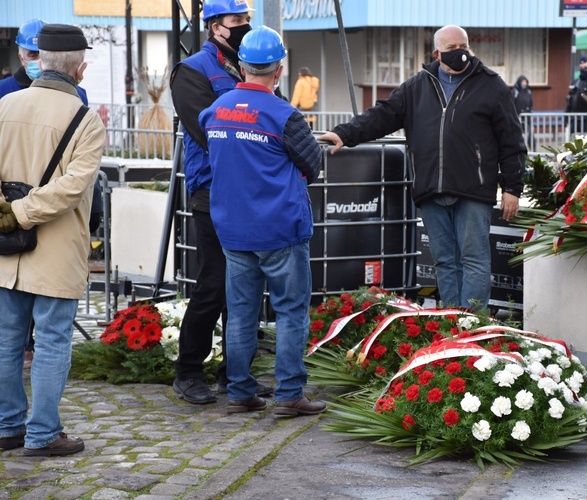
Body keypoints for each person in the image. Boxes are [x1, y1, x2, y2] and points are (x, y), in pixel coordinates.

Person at [319, 25, 526, 312]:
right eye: (452, 49)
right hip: (430, 189)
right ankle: (451, 323)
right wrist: (345, 133)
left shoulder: (492, 85)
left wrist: (513, 187)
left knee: (474, 259)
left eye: (463, 46)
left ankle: (475, 327)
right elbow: (382, 115)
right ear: (436, 53)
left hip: (474, 189)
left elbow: (512, 140)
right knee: (445, 261)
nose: (460, 53)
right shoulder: (417, 87)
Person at [199, 26, 325, 417]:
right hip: (280, 230)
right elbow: (313, 165)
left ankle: (239, 391)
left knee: (240, 313)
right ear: (279, 69)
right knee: (290, 312)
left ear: (241, 65)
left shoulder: (213, 112)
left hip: (233, 231)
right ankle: (289, 394)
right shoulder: (285, 116)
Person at [0, 24, 104, 456]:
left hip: (6, 250)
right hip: (57, 251)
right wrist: (22, 211)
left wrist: (6, 212)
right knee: (53, 342)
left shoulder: (5, 105)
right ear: (79, 69)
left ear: (39, 61)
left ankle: (7, 428)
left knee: (6, 341)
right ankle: (42, 435)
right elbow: (73, 188)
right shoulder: (86, 118)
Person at [170, 0, 272, 404]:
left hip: (249, 191)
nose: (245, 26)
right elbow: (207, 130)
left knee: (245, 285)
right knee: (214, 282)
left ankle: (236, 375)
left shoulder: (249, 68)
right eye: (237, 21)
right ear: (216, 28)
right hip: (213, 189)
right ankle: (189, 371)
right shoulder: (192, 71)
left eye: (248, 19)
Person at [0, 19, 88, 104]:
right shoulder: (2, 90)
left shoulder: (79, 94)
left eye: (45, 55)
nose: (40, 61)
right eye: (33, 55)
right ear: (21, 58)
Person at [512, 75, 534, 150]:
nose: (524, 84)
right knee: (518, 135)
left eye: (525, 82)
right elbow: (512, 104)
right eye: (523, 82)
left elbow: (531, 104)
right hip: (518, 117)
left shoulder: (528, 92)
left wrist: (530, 111)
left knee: (530, 135)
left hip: (527, 117)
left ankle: (532, 150)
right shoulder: (515, 92)